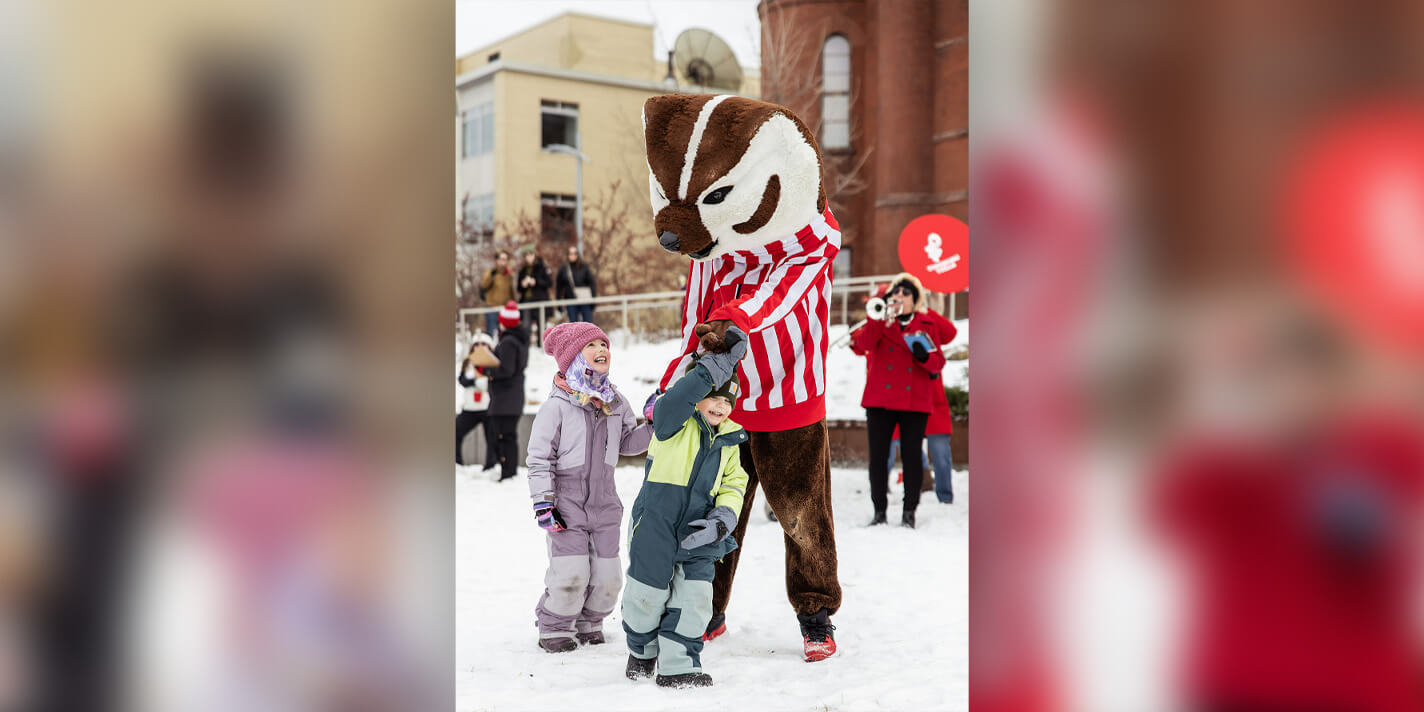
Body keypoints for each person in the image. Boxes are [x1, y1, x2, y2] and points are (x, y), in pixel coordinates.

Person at [622, 327, 750, 688]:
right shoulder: (671, 424)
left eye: (728, 401)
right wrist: (713, 368)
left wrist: (722, 520)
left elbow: (734, 484)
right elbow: (676, 399)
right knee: (646, 595)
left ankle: (678, 665)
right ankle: (642, 650)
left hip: (700, 532)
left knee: (695, 599)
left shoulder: (729, 440)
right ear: (696, 396)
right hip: (656, 525)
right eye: (714, 397)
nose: (721, 406)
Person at [525, 321, 653, 653]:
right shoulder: (556, 406)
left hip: (604, 502)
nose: (601, 350)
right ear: (573, 358)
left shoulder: (615, 402)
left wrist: (655, 424)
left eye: (604, 344)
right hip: (565, 504)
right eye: (591, 346)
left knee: (609, 578)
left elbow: (627, 442)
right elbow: (539, 458)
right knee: (571, 574)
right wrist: (544, 502)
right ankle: (555, 626)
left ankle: (589, 623)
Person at [850, 273, 946, 528]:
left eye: (905, 293)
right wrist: (878, 320)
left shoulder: (927, 324)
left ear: (915, 300)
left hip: (914, 402)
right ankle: (879, 511)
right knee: (878, 458)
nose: (898, 297)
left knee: (912, 457)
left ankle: (909, 511)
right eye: (895, 293)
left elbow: (938, 363)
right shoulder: (880, 320)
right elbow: (863, 344)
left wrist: (924, 357)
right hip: (880, 399)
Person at [921, 305, 960, 504]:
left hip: (934, 397)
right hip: (909, 398)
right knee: (909, 450)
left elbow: (950, 332)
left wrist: (926, 310)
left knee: (941, 454)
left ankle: (945, 497)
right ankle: (920, 486)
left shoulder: (929, 319)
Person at [485, 301, 528, 482]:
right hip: (511, 398)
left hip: (505, 399)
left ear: (504, 322)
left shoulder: (509, 342)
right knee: (507, 436)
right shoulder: (518, 340)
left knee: (504, 436)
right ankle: (508, 472)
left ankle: (508, 473)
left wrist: (487, 369)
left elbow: (506, 369)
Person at [456, 333, 498, 469]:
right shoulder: (468, 363)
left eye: (483, 344)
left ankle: (491, 466)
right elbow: (463, 380)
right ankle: (457, 463)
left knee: (491, 439)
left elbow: (486, 384)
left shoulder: (493, 363)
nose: (479, 347)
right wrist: (476, 378)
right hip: (470, 408)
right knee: (455, 432)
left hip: (487, 408)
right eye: (476, 345)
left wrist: (475, 379)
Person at [516, 247, 552, 345]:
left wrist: (536, 282)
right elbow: (518, 288)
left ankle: (542, 346)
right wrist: (522, 285)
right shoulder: (523, 270)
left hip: (540, 300)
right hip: (527, 301)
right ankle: (526, 346)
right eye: (526, 255)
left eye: (530, 255)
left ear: (534, 255)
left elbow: (549, 283)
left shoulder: (542, 267)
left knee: (542, 325)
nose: (528, 257)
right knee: (526, 325)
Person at [556, 246, 596, 323]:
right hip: (571, 301)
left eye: (575, 253)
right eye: (571, 254)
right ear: (568, 255)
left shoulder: (584, 267)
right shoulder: (564, 269)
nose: (573, 256)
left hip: (584, 300)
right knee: (573, 325)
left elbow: (592, 283)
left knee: (588, 324)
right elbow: (559, 287)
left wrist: (593, 300)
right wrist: (559, 305)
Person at [479, 251, 516, 335]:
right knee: (491, 332)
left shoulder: (508, 275)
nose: (504, 262)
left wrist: (513, 304)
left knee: (505, 333)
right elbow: (484, 285)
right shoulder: (491, 272)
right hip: (492, 308)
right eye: (502, 259)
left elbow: (511, 292)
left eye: (506, 259)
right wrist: (491, 276)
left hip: (505, 309)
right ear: (497, 260)